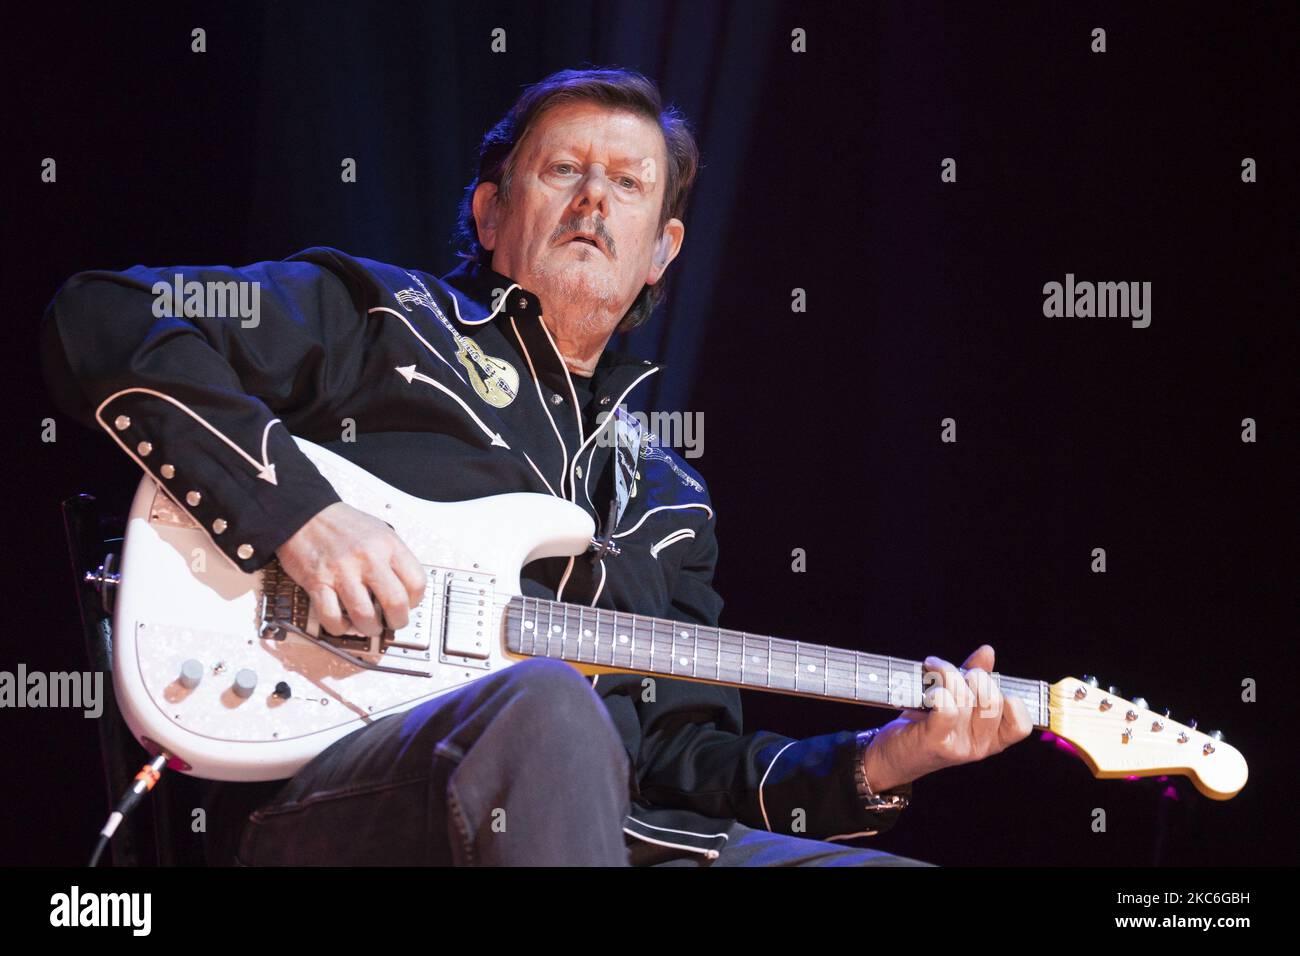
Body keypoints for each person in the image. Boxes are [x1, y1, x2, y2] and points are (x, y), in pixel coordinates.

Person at [40, 67, 1033, 867]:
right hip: (334, 795)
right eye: (563, 169)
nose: (595, 199)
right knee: (550, 703)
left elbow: (688, 759)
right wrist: (297, 514)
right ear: (486, 210)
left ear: (661, 250)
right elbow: (110, 316)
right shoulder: (385, 324)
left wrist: (882, 757)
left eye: (629, 183)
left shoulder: (667, 502)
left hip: (619, 836)